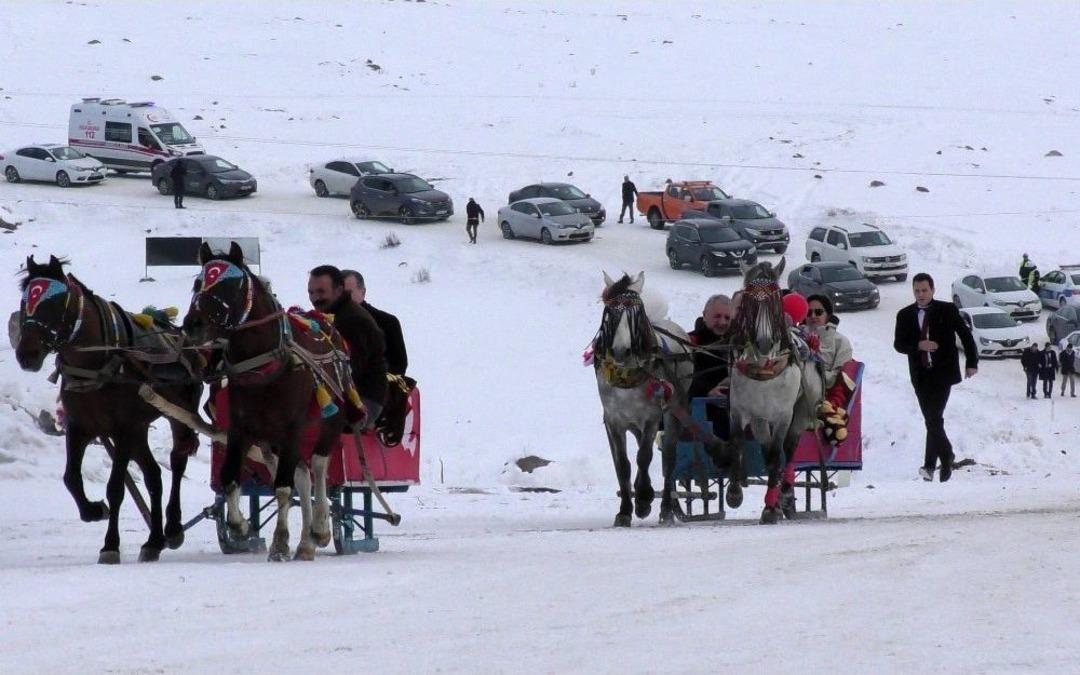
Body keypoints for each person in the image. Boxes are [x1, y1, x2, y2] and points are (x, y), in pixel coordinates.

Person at [893, 272, 978, 483]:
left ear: (932, 290)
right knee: (932, 419)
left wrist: (971, 362)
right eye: (917, 291)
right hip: (920, 374)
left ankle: (936, 462)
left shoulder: (947, 310)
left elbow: (965, 335)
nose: (920, 294)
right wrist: (918, 345)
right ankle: (939, 460)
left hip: (943, 373)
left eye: (924, 290)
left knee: (933, 417)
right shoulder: (904, 315)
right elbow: (899, 344)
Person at [308, 265, 388, 426]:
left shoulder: (353, 320)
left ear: (338, 291)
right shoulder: (327, 315)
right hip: (339, 393)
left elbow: (351, 370)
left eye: (321, 292)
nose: (315, 298)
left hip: (363, 398)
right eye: (311, 292)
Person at [342, 269, 408, 376]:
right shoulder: (327, 324)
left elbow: (398, 366)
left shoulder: (387, 323)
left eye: (348, 293)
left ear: (362, 292)